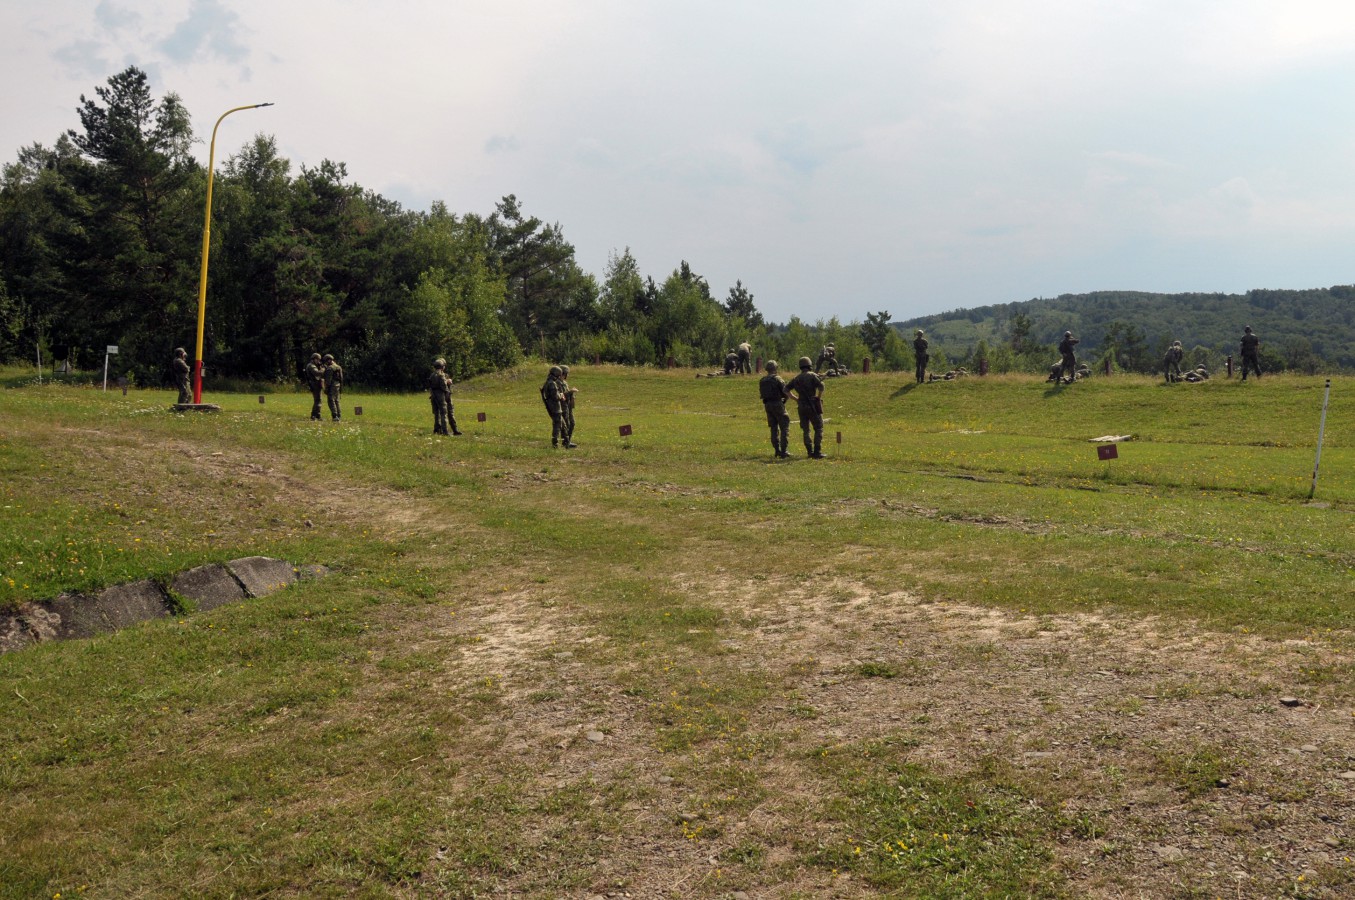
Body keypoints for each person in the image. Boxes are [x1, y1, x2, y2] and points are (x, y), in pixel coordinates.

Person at [786, 356, 825, 459]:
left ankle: (809, 452)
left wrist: (796, 399)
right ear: (809, 365)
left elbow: (786, 390)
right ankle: (817, 452)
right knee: (818, 427)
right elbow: (821, 387)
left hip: (801, 406)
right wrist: (818, 397)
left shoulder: (796, 378)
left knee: (806, 430)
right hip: (812, 405)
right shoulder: (812, 375)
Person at [758, 360, 790, 459]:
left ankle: (777, 450)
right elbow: (785, 391)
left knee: (773, 428)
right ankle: (784, 451)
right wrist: (785, 399)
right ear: (775, 368)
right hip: (777, 403)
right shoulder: (777, 379)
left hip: (767, 405)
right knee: (784, 427)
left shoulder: (762, 380)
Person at [540, 365, 567, 448]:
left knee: (563, 426)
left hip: (554, 408)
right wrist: (561, 395)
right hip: (555, 408)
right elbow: (555, 397)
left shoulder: (548, 382)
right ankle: (555, 444)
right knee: (557, 426)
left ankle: (566, 443)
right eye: (559, 375)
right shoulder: (552, 384)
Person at [428, 358, 451, 434]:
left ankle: (437, 430)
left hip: (433, 395)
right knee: (443, 413)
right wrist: (447, 392)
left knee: (436, 413)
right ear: (442, 366)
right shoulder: (441, 375)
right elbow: (444, 386)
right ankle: (445, 431)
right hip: (440, 395)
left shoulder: (432, 375)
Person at [440, 365, 463, 435]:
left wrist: (449, 381)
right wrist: (446, 381)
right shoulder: (436, 376)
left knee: (451, 413)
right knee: (442, 415)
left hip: (448, 397)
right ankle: (443, 431)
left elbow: (448, 385)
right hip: (441, 398)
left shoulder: (445, 375)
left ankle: (455, 430)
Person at [558, 365, 578, 447]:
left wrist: (572, 394)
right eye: (566, 373)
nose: (567, 375)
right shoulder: (557, 383)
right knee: (566, 424)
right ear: (563, 373)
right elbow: (560, 395)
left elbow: (567, 393)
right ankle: (565, 442)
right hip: (562, 406)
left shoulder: (564, 383)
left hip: (568, 405)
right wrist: (571, 391)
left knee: (572, 423)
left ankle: (568, 441)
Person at [305, 352, 326, 420]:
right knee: (318, 400)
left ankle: (317, 415)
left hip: (316, 383)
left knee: (318, 400)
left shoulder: (313, 365)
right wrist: (323, 369)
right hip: (315, 384)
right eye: (317, 359)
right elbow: (317, 373)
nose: (318, 361)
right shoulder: (311, 366)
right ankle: (314, 415)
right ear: (314, 359)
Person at [322, 353, 343, 420]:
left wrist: (326, 389)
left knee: (331, 400)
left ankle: (335, 415)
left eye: (326, 361)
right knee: (336, 400)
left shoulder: (330, 368)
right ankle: (339, 415)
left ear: (328, 360)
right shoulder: (338, 367)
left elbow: (328, 380)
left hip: (332, 385)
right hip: (338, 385)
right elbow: (341, 378)